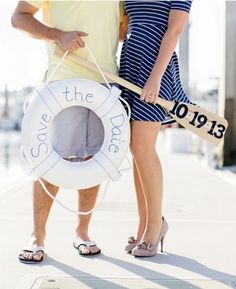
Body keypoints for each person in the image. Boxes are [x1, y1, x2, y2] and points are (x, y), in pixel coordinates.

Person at [11, 0, 124, 263]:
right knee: (50, 162)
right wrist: (58, 35)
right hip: (64, 81)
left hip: (105, 82)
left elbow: (120, 29)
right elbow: (19, 17)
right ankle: (37, 237)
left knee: (94, 161)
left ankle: (82, 232)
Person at [119, 1, 192, 257]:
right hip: (130, 64)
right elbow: (124, 25)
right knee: (135, 149)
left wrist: (155, 76)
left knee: (143, 147)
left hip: (155, 67)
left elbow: (175, 30)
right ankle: (144, 224)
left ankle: (155, 227)